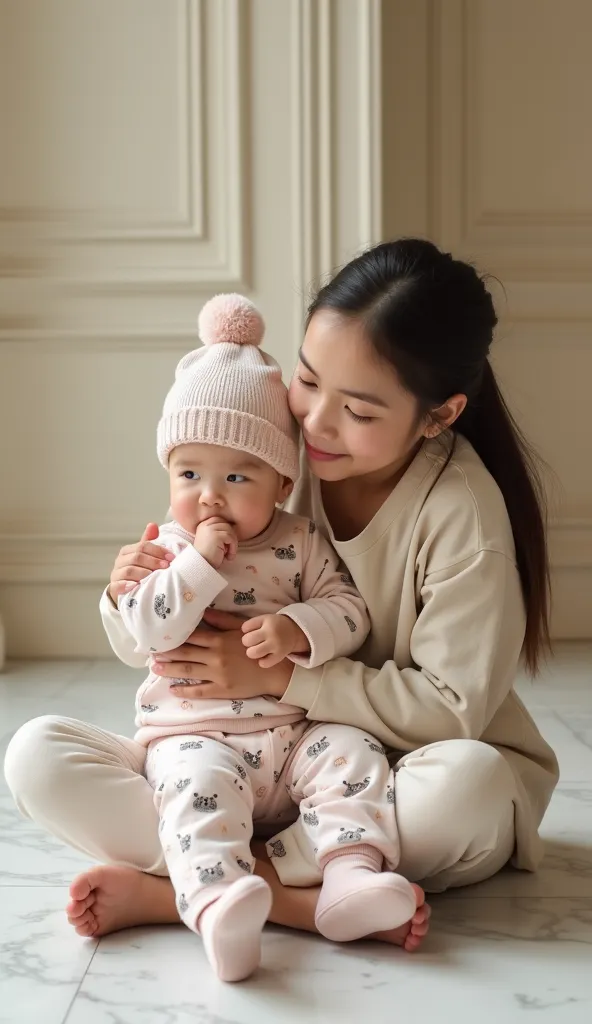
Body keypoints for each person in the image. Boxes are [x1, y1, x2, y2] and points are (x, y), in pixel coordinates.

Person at [4, 238, 558, 957]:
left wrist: (283, 674)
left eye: (357, 409)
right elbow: (158, 609)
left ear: (438, 414)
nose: (317, 423)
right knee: (34, 756)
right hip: (230, 760)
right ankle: (302, 896)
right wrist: (126, 594)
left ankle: (193, 890)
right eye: (306, 378)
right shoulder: (265, 442)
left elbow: (453, 713)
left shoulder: (463, 517)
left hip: (383, 770)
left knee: (472, 786)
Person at [104, 292, 418, 982]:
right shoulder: (166, 545)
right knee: (192, 789)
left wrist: (297, 628)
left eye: (236, 476)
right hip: (199, 733)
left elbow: (349, 611)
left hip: (294, 735)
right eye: (189, 474)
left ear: (280, 482)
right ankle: (221, 903)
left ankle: (348, 875)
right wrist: (196, 565)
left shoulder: (300, 540)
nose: (208, 495)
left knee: (356, 752)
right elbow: (147, 626)